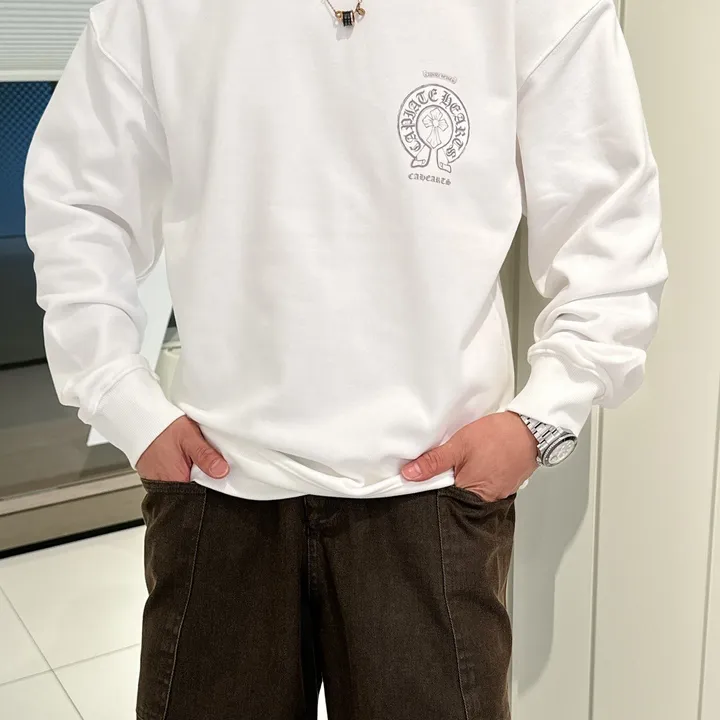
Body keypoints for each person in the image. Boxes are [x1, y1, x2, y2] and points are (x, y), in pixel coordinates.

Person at [24, 0, 667, 718]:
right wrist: (118, 393)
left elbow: (611, 225)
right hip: (221, 485)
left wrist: (543, 418)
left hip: (433, 496)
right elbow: (78, 199)